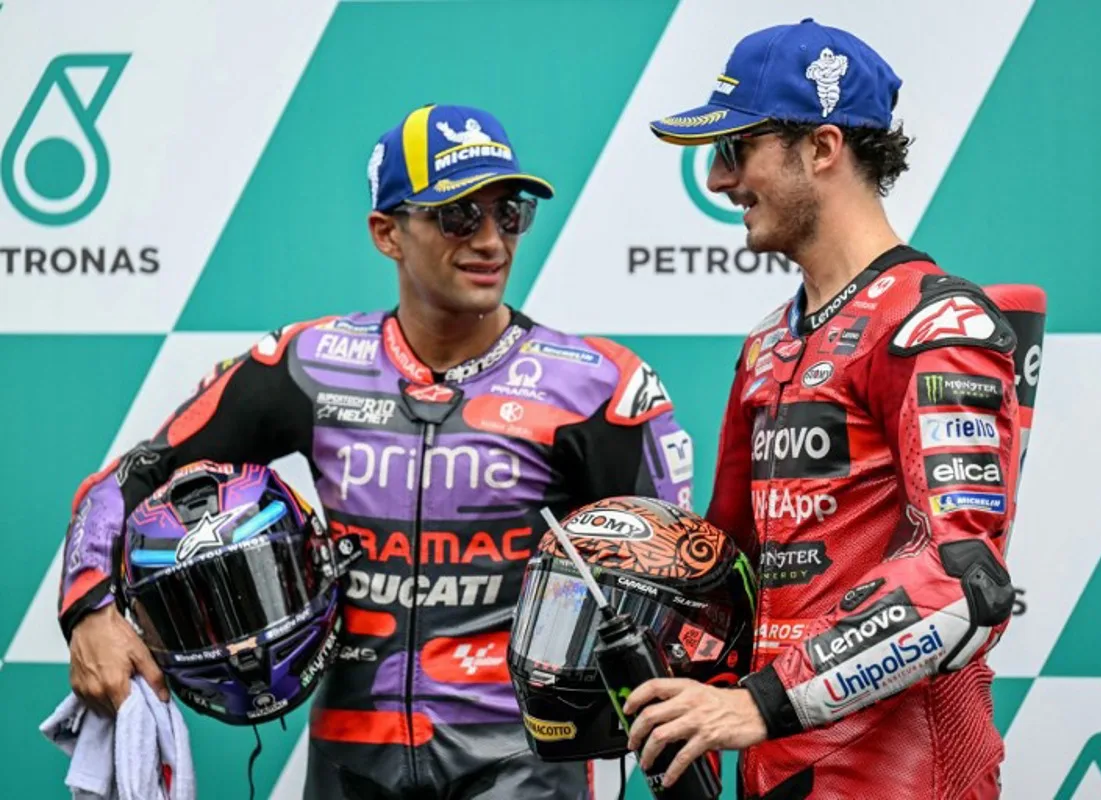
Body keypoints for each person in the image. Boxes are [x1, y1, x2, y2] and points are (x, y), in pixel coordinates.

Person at [58, 103, 695, 800]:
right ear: (387, 233)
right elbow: (122, 485)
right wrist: (88, 607)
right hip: (353, 759)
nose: (491, 241)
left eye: (508, 214)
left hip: (531, 761)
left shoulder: (596, 385)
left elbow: (682, 594)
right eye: (458, 216)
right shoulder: (308, 364)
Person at [622, 19, 1021, 800]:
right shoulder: (769, 343)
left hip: (900, 775)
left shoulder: (936, 326)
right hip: (774, 766)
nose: (717, 180)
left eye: (735, 150)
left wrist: (759, 703)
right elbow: (732, 563)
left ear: (822, 148)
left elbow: (964, 583)